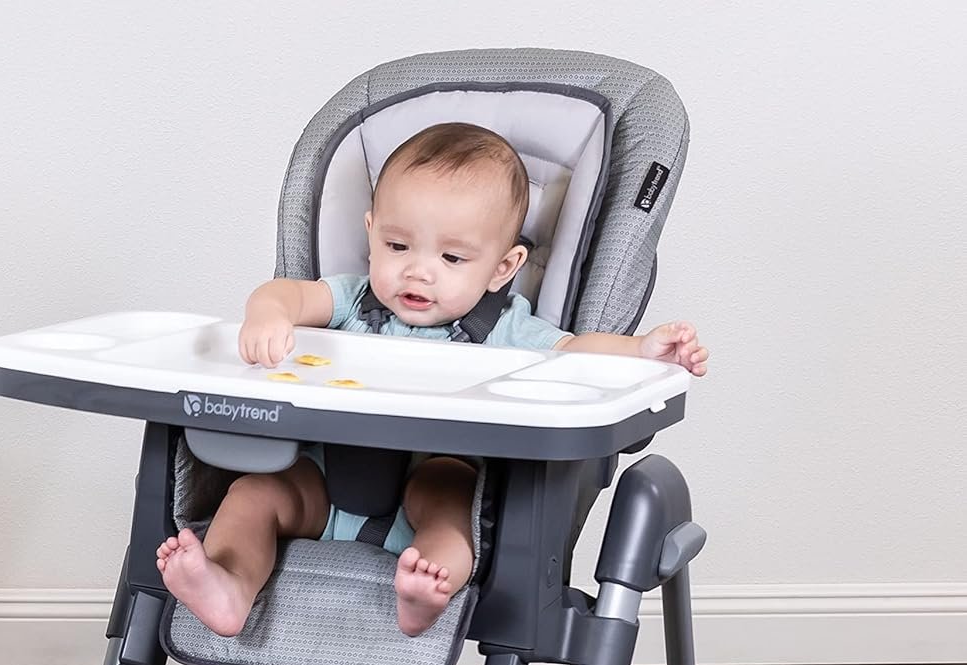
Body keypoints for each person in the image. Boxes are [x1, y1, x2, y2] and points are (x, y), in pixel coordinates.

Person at [157, 121, 708, 637]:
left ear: (503, 268)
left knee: (447, 494)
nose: (418, 270)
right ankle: (229, 583)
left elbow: (574, 351)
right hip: (321, 482)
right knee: (253, 493)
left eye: (451, 257)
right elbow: (287, 293)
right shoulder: (351, 299)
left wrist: (641, 350)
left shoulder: (505, 328)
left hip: (423, 490)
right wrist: (268, 314)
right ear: (371, 232)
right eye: (397, 246)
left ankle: (426, 590)